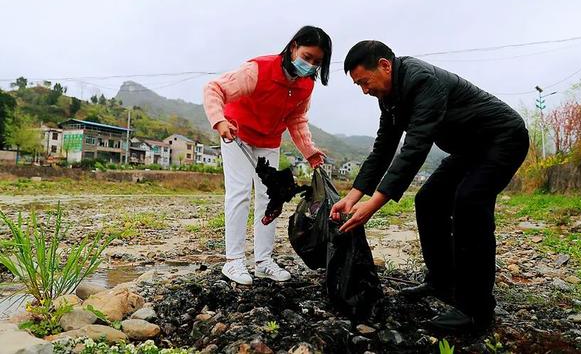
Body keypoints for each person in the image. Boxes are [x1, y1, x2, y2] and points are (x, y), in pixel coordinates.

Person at [330, 40, 529, 332]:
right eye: (358, 85)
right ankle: (441, 282)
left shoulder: (422, 80)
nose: (364, 90)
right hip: (469, 149)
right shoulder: (389, 96)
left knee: (470, 203)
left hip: (502, 139)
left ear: (385, 65)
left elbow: (415, 148)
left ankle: (477, 312)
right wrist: (353, 196)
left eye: (365, 81)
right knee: (429, 200)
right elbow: (384, 147)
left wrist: (372, 207)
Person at [203, 26, 331, 285]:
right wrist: (219, 121)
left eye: (317, 62)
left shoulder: (306, 85)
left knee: (270, 198)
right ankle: (234, 261)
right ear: (293, 47)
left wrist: (309, 152)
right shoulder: (258, 70)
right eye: (307, 57)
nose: (310, 66)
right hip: (237, 133)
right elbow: (214, 88)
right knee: (239, 192)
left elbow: (296, 119)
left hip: (269, 140)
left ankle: (263, 261)